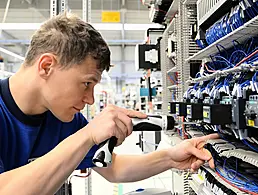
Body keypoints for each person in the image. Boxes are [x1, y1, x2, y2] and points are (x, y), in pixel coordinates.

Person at [0, 13, 218, 195]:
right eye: (86, 83)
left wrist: (170, 158)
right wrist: (87, 136)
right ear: (46, 66)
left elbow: (113, 169)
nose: (90, 99)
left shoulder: (63, 119)